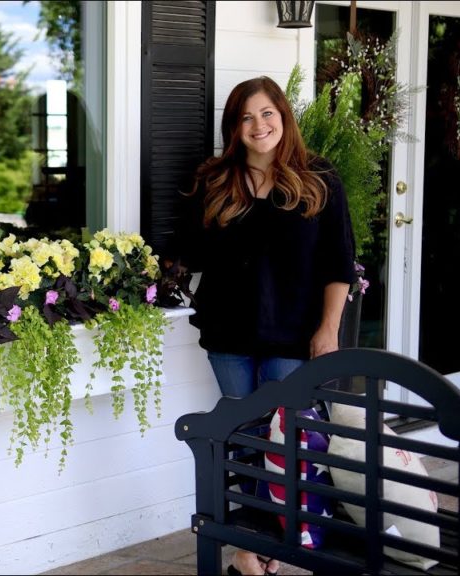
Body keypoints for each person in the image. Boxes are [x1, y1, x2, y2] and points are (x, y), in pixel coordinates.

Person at [180, 76, 356, 576]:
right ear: (234, 128)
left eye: (267, 114)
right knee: (242, 441)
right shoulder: (215, 181)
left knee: (280, 444)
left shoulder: (319, 178)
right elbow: (192, 253)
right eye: (246, 117)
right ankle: (259, 549)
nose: (259, 125)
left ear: (284, 117)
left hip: (293, 337)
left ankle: (250, 550)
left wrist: (329, 329)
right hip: (229, 335)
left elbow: (339, 263)